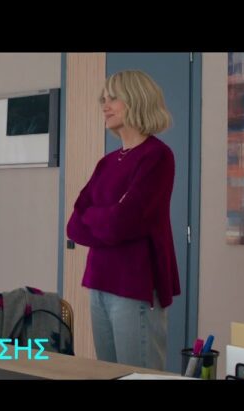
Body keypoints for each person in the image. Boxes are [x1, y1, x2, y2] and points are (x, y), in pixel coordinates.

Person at [66, 70, 180, 369]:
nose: (105, 106)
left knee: (138, 375)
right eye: (103, 99)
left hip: (135, 284)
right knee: (107, 373)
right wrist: (107, 215)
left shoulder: (157, 156)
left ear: (136, 99)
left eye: (113, 98)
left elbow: (122, 223)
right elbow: (74, 225)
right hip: (99, 282)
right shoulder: (107, 162)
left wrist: (98, 216)